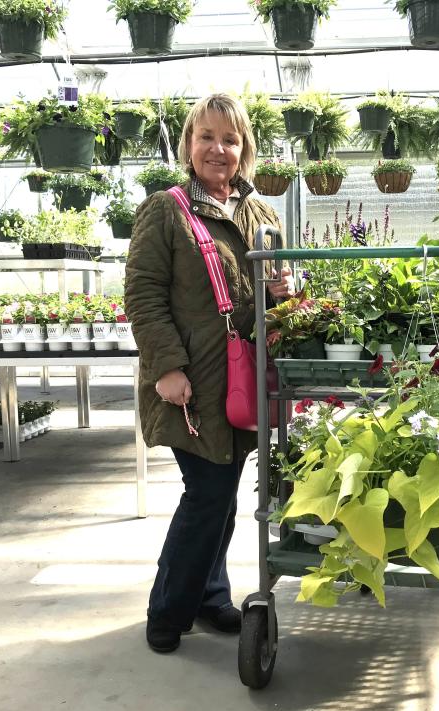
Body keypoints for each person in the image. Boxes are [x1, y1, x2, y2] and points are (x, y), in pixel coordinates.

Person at [124, 93, 293, 654]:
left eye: (230, 138)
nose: (217, 149)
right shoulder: (166, 210)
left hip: (244, 380)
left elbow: (277, 292)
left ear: (244, 149)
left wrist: (285, 291)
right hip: (192, 382)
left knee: (221, 496)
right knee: (207, 493)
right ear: (189, 145)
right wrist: (166, 368)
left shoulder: (260, 212)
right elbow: (143, 295)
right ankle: (168, 611)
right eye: (206, 137)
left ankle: (208, 597)